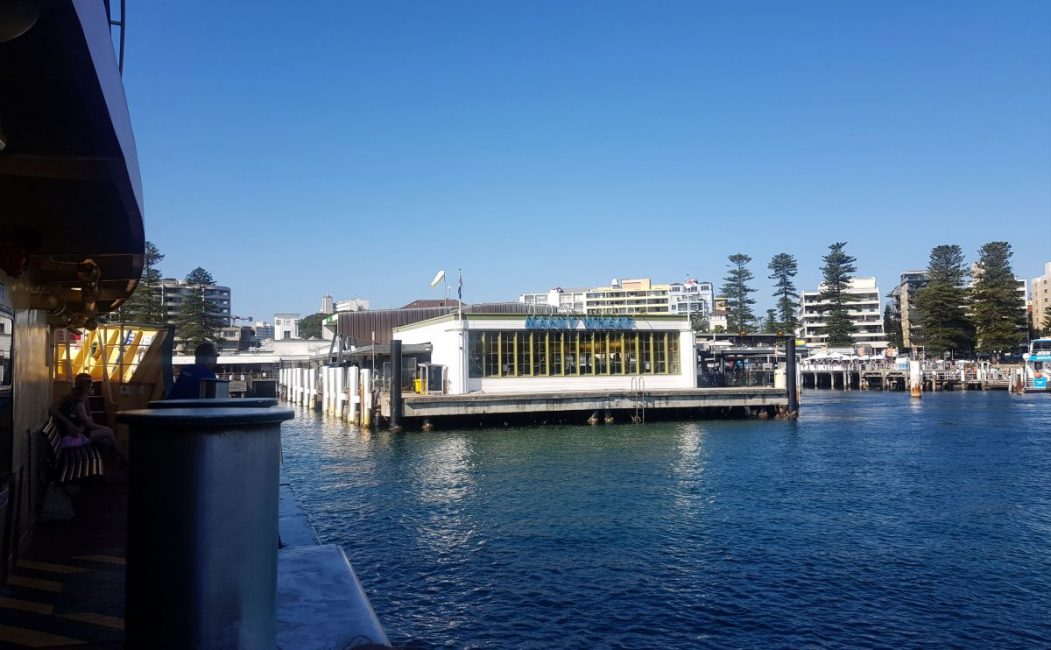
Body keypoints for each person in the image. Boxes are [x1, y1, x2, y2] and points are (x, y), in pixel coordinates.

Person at [50, 373, 122, 460]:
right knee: (109, 432)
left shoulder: (81, 400)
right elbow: (89, 424)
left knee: (106, 442)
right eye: (91, 387)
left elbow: (87, 421)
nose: (93, 388)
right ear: (85, 388)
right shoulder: (79, 403)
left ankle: (108, 465)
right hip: (70, 439)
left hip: (76, 435)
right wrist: (105, 429)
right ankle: (123, 459)